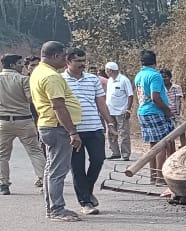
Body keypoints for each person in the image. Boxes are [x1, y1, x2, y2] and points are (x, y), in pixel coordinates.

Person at [29, 42, 84, 221]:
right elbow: (59, 106)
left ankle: (51, 207)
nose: (65, 60)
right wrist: (72, 132)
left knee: (50, 169)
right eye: (63, 56)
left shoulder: (38, 71)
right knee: (57, 171)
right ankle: (57, 209)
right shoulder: (51, 77)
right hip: (56, 127)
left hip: (47, 125)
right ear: (54, 56)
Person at [61, 48, 110, 215]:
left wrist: (110, 123)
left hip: (94, 127)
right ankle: (85, 202)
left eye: (83, 61)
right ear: (68, 62)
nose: (82, 64)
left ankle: (87, 191)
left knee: (98, 159)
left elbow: (100, 103)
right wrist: (70, 131)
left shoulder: (92, 79)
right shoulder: (60, 80)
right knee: (77, 167)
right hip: (74, 130)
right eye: (78, 61)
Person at [0, 54, 46, 195]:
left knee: (2, 155)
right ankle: (45, 181)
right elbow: (31, 99)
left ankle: (3, 184)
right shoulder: (24, 80)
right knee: (35, 151)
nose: (22, 65)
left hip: (3, 121)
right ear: (13, 65)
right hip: (24, 120)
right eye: (20, 63)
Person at [134, 50, 175, 190]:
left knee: (153, 144)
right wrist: (167, 110)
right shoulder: (154, 75)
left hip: (143, 112)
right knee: (162, 144)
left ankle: (153, 176)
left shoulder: (139, 75)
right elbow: (155, 97)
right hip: (155, 111)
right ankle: (160, 178)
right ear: (155, 62)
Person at [104, 61, 133, 160]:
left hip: (121, 111)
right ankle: (115, 152)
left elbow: (130, 95)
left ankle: (125, 154)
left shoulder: (124, 80)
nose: (106, 72)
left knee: (123, 133)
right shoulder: (109, 81)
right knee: (110, 132)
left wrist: (128, 110)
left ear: (110, 70)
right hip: (109, 111)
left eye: (106, 70)